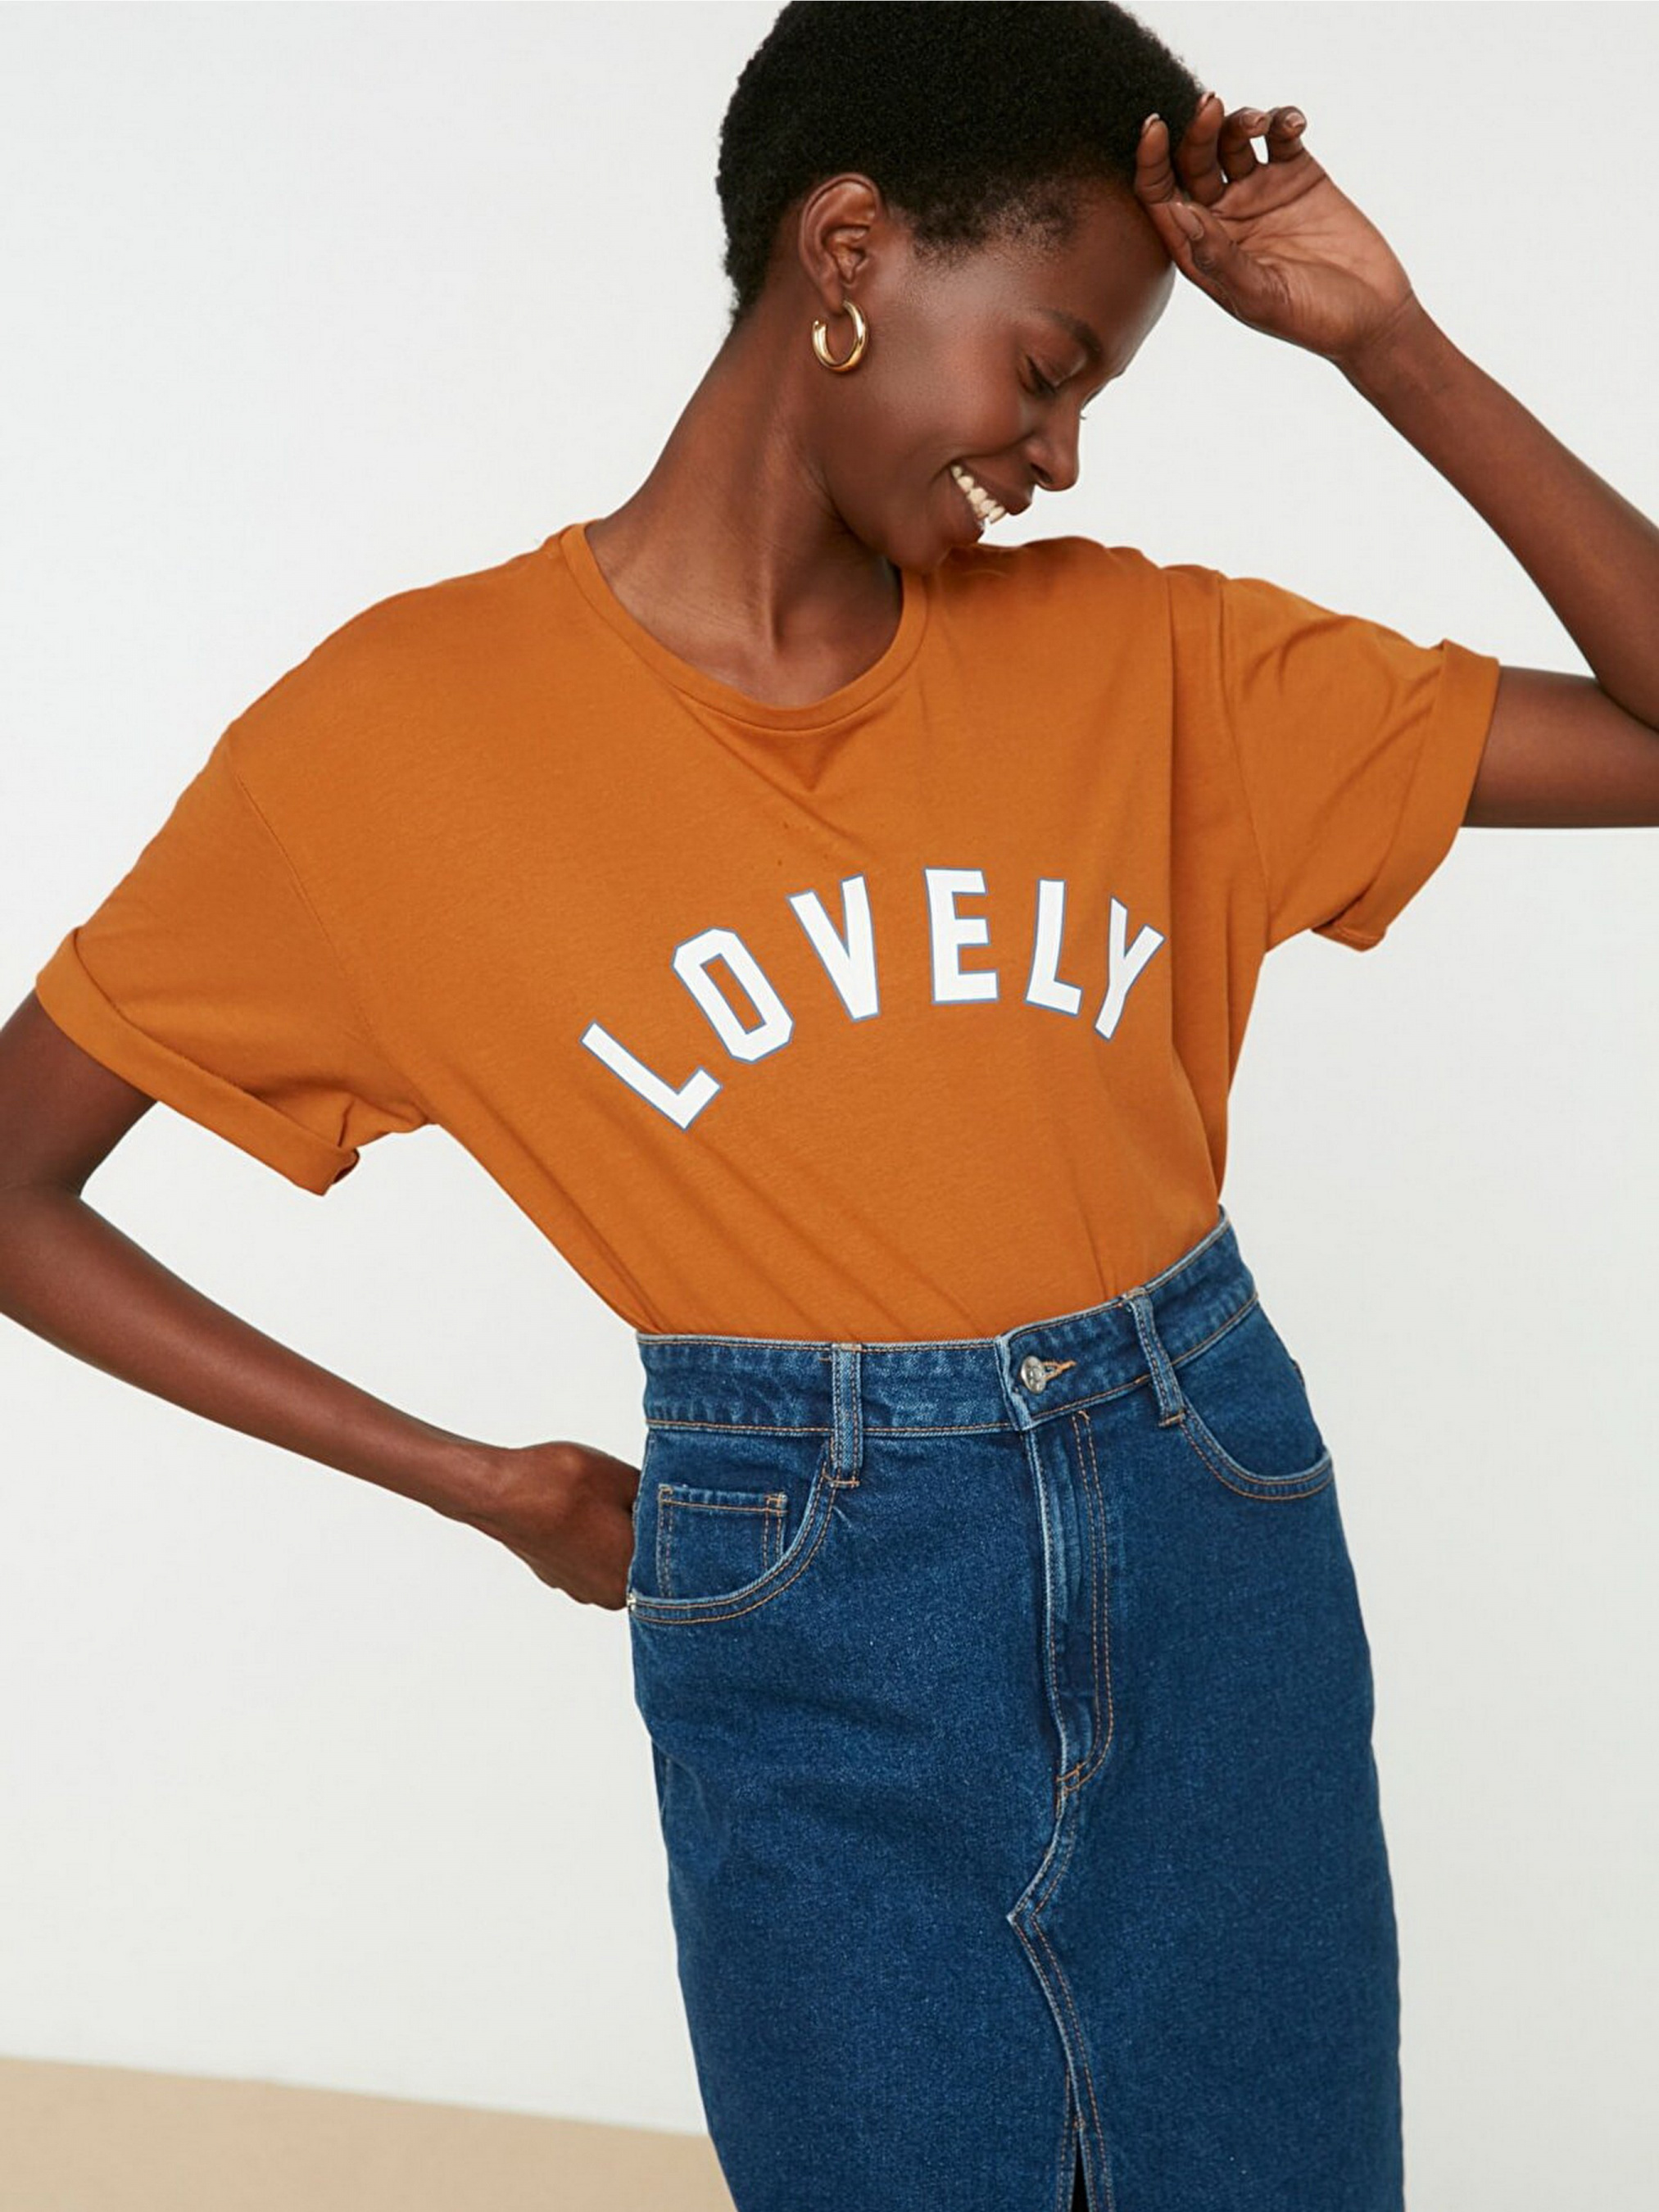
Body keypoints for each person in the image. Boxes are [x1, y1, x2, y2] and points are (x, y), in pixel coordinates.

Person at [2, 4, 1655, 2208]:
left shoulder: (1153, 663)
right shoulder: (393, 741)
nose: (1061, 458)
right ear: (850, 251)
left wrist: (1389, 345)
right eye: (1050, 369)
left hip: (1207, 1526)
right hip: (810, 1595)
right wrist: (481, 1481)